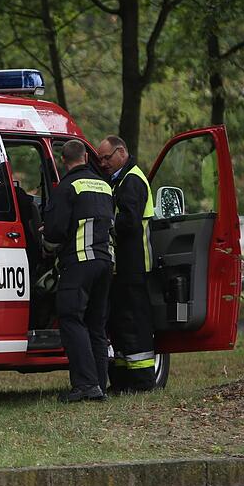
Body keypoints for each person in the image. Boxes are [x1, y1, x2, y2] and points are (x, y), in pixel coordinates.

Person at [43, 140, 115, 402]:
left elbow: (55, 232)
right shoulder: (104, 186)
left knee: (71, 318)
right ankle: (99, 385)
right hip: (105, 263)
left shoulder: (67, 187)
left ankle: (85, 385)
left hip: (80, 262)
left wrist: (46, 243)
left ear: (63, 160)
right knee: (96, 324)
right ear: (86, 157)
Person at [96, 135, 156, 393]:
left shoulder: (132, 180)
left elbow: (129, 221)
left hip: (135, 264)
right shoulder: (119, 180)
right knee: (120, 323)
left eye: (106, 158)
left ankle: (142, 381)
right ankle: (122, 380)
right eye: (100, 159)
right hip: (123, 266)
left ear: (121, 152)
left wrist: (105, 224)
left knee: (134, 323)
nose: (103, 163)